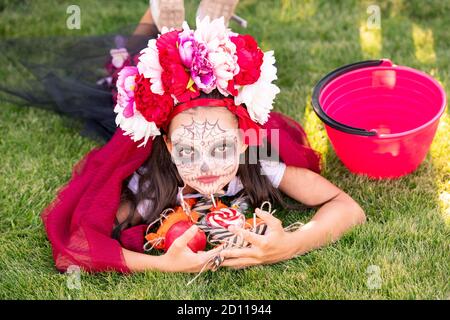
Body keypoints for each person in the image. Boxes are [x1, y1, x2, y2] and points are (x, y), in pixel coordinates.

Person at [0, 11, 365, 274]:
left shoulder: (262, 165)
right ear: (171, 150)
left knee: (172, 67)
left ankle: (206, 27)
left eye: (221, 148)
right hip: (142, 99)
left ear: (241, 143)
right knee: (120, 71)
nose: (206, 167)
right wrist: (163, 266)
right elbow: (78, 246)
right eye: (189, 152)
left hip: (202, 107)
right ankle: (160, 21)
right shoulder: (147, 190)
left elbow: (348, 208)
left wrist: (291, 244)